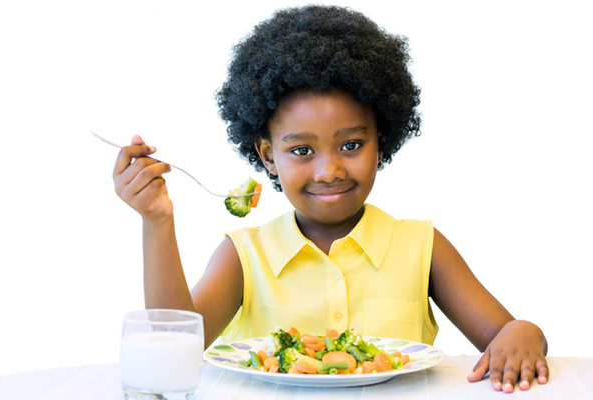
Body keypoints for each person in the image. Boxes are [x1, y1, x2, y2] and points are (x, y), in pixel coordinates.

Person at [112, 5, 548, 393]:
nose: (329, 170)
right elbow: (177, 343)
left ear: (382, 142)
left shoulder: (422, 246)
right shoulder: (245, 255)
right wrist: (157, 221)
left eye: (352, 145)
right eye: (301, 151)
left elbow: (506, 333)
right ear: (268, 156)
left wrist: (525, 333)